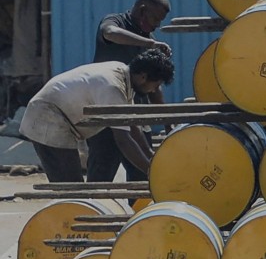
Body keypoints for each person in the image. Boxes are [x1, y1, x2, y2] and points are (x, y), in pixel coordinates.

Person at [19, 49, 176, 183]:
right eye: (155, 86)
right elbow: (123, 139)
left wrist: (152, 158)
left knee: (73, 189)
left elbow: (133, 127)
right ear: (143, 77)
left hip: (57, 117)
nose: (153, 91)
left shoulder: (123, 74)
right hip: (47, 117)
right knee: (71, 188)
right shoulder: (113, 87)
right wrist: (152, 173)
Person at [87, 0, 172, 182]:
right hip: (106, 116)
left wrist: (169, 125)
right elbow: (109, 33)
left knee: (142, 175)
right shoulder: (116, 22)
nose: (156, 26)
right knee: (101, 174)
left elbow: (155, 88)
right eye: (155, 20)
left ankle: (142, 211)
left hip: (137, 118)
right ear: (142, 11)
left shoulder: (148, 40)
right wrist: (149, 44)